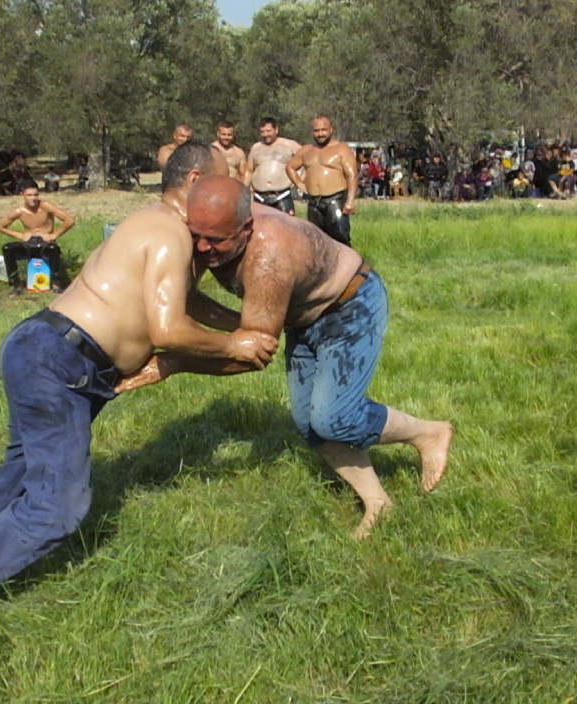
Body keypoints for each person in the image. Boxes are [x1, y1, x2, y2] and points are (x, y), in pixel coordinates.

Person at [0, 143, 276, 631]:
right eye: (226, 176)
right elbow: (169, 329)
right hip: (60, 357)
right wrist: (233, 347)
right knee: (58, 506)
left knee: (25, 460)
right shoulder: (168, 232)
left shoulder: (156, 224)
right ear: (196, 180)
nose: (234, 182)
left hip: (48, 349)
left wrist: (242, 325)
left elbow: (187, 301)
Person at [116, 175, 453, 538]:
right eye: (195, 234)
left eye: (215, 240)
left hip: (349, 307)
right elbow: (196, 301)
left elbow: (252, 357)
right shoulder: (211, 224)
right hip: (300, 319)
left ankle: (428, 433)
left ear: (246, 228)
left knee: (335, 418)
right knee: (310, 424)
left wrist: (176, 362)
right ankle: (378, 503)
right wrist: (239, 329)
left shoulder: (268, 257)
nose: (201, 248)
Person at [287, 115, 358, 245]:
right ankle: (321, 266)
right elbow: (290, 167)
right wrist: (300, 184)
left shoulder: (342, 149)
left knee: (340, 239)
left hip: (335, 200)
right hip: (313, 203)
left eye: (324, 130)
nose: (320, 134)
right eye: (317, 130)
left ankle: (347, 265)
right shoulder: (306, 150)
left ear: (331, 129)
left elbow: (351, 175)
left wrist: (350, 200)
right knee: (316, 242)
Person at [0, 186, 77, 297]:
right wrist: (20, 235)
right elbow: (0, 227)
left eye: (35, 195)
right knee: (7, 249)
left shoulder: (45, 206)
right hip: (29, 242)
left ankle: (56, 284)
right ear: (22, 195)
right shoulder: (19, 211)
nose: (33, 198)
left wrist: (54, 235)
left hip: (46, 242)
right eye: (29, 195)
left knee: (53, 249)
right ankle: (17, 285)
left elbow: (69, 220)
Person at [244, 117, 301, 214]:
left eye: (268, 131)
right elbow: (249, 171)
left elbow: (307, 158)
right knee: (260, 228)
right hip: (259, 197)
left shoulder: (290, 144)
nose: (265, 134)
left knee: (285, 227)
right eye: (262, 132)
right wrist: (243, 190)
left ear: (276, 129)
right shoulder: (256, 147)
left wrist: (300, 180)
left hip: (282, 195)